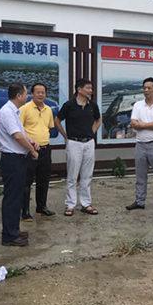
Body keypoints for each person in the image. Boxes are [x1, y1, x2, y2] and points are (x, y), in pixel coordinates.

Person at [0, 82, 39, 246]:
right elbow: (17, 136)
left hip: (18, 159)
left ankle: (13, 229)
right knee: (12, 198)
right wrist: (32, 150)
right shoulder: (7, 112)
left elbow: (22, 133)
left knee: (17, 196)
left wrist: (31, 141)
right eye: (26, 94)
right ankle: (9, 236)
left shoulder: (15, 111)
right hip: (12, 159)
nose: (27, 96)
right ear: (19, 95)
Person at [55, 78, 102, 216]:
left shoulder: (92, 105)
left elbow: (98, 119)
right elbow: (57, 120)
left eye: (91, 88)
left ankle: (86, 204)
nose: (90, 91)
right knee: (72, 175)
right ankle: (70, 205)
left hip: (89, 143)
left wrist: (92, 132)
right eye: (88, 88)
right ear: (79, 89)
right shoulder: (69, 105)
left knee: (87, 175)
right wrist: (65, 136)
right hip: (74, 143)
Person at [126, 77, 153, 214]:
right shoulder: (137, 105)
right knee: (140, 176)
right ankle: (140, 201)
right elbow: (133, 123)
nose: (146, 90)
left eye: (149, 88)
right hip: (140, 144)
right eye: (144, 88)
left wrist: (142, 125)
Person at [20, 83, 56, 219]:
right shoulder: (25, 109)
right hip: (30, 150)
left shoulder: (48, 110)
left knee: (44, 180)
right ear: (32, 94)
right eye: (38, 92)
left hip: (45, 149)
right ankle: (25, 211)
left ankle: (41, 207)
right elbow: (19, 129)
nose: (41, 95)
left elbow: (49, 127)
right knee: (27, 181)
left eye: (43, 92)